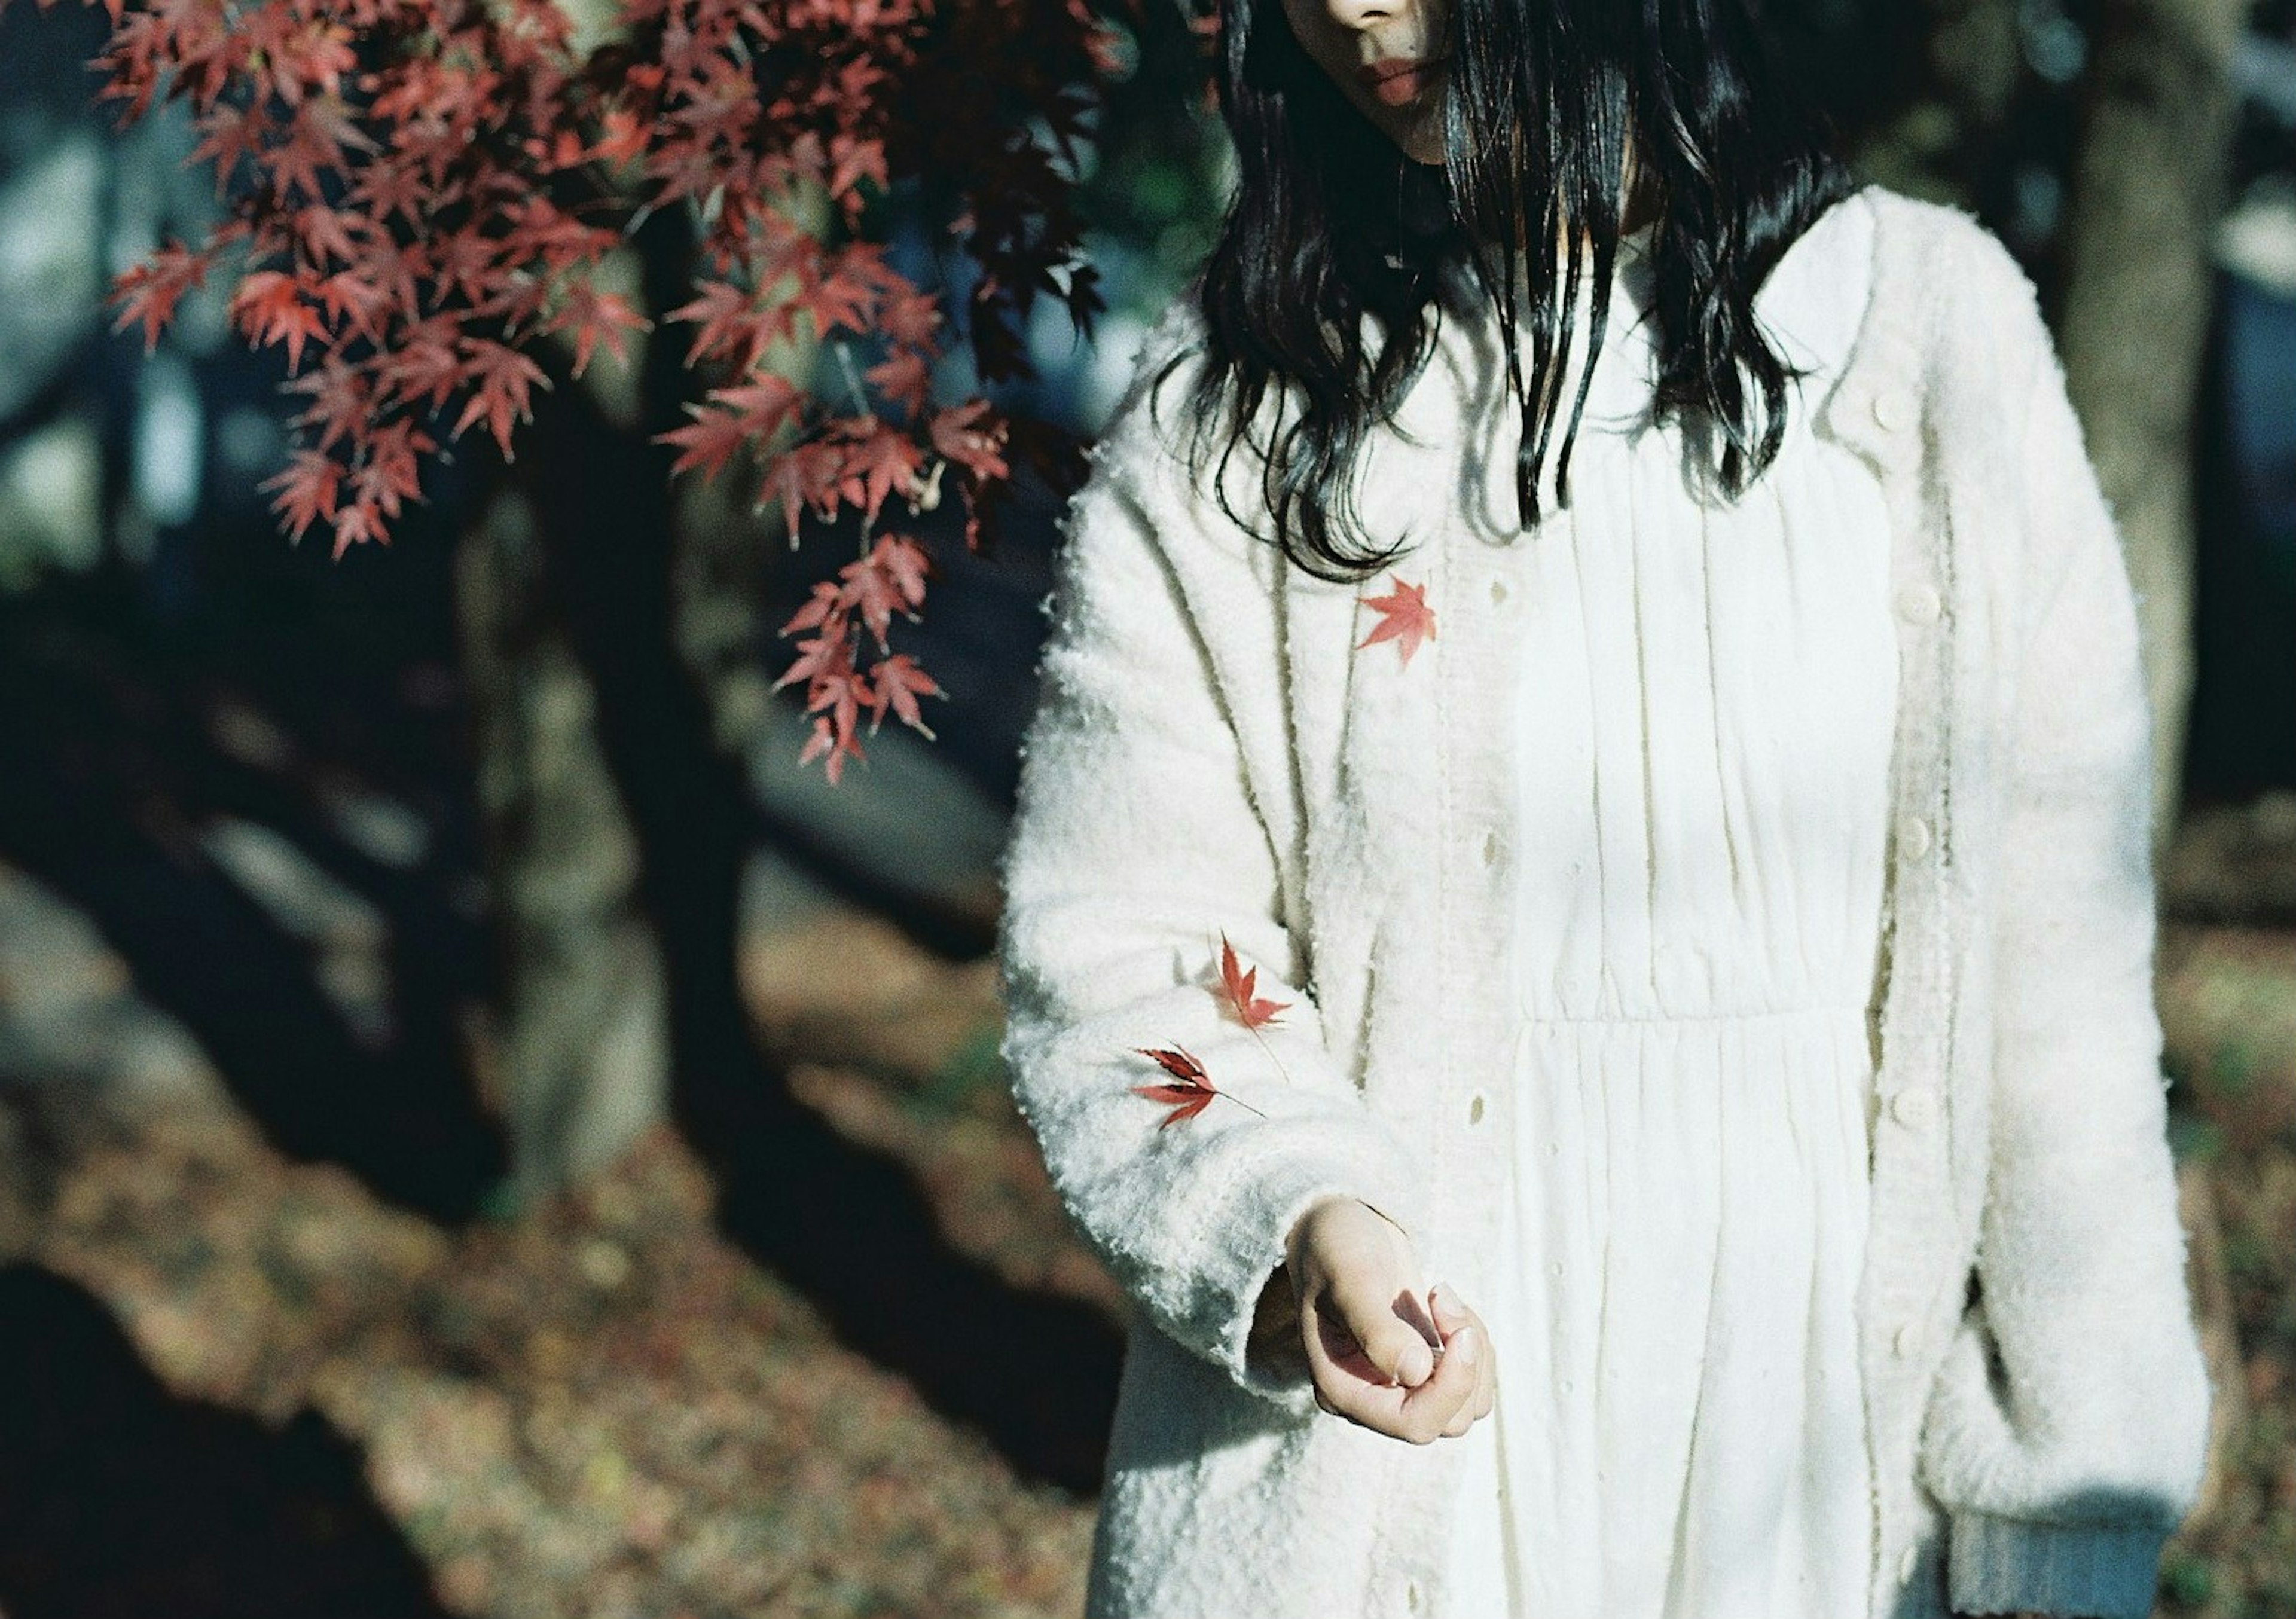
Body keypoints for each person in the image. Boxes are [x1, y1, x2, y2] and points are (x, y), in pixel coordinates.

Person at [993, 0, 2215, 1615]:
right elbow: (1129, 946)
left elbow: (2058, 1018)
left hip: (1829, 1459)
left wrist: (2073, 1511)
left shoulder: (1926, 343)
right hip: (1418, 1446)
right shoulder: (1250, 408)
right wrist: (1301, 1214)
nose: (1353, 6)